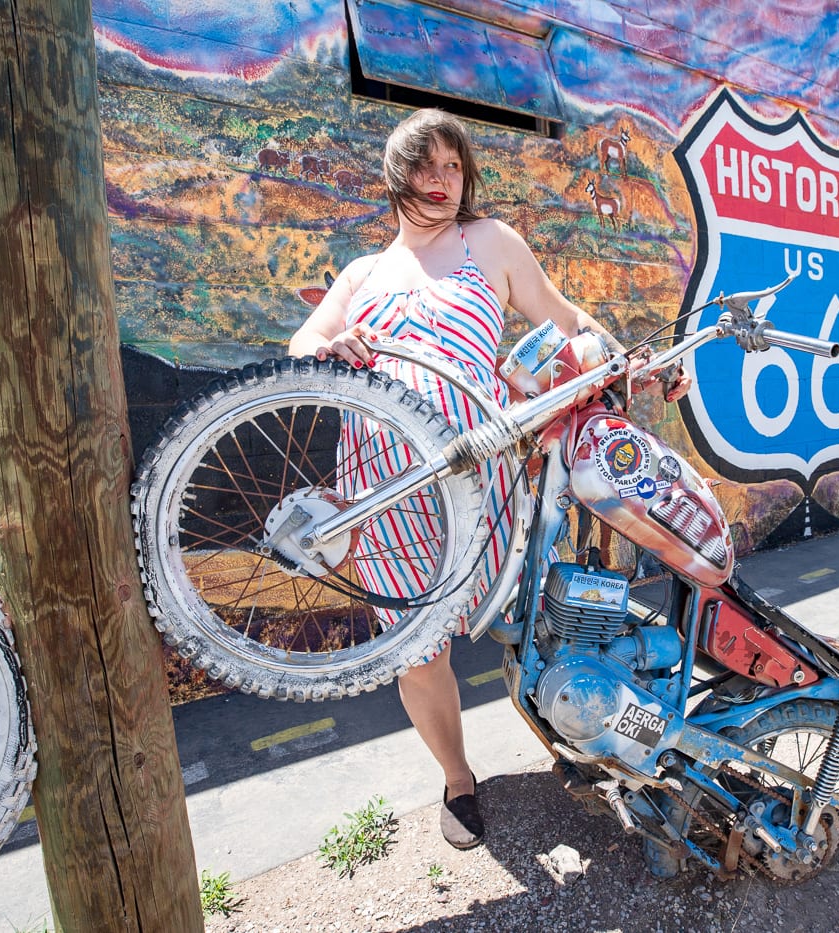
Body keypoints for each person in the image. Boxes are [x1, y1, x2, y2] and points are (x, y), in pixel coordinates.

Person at [288, 108, 688, 849]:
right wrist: (330, 341)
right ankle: (459, 778)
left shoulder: (491, 244)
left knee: (532, 626)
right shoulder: (363, 272)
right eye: (423, 166)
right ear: (396, 175)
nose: (440, 180)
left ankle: (577, 745)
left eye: (452, 167)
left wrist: (642, 361)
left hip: (484, 479)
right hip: (383, 490)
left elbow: (570, 324)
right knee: (419, 649)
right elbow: (305, 340)